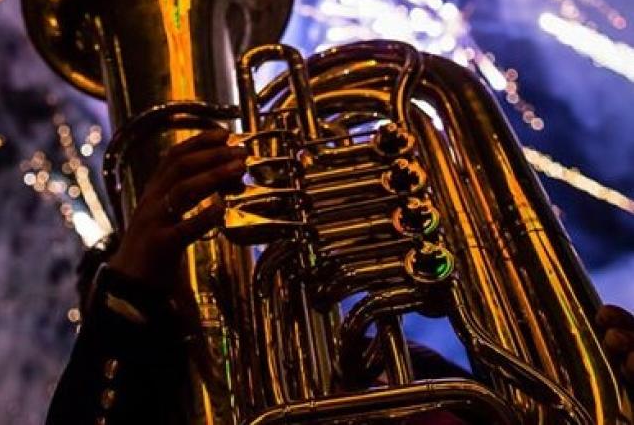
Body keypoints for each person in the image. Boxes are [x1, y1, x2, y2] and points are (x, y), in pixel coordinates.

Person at [46, 129, 634, 425]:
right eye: (172, 301)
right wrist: (128, 291)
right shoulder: (139, 390)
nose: (214, 306)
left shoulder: (406, 373)